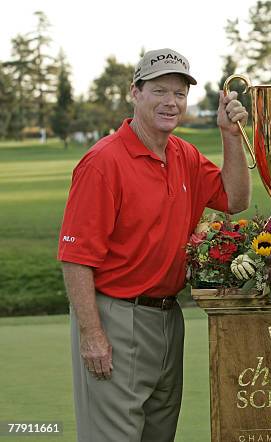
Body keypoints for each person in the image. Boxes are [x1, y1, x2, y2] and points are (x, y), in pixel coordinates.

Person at [58, 48, 250, 441]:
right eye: (159, 90)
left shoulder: (184, 154)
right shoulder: (103, 162)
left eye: (179, 93)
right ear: (135, 92)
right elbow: (75, 258)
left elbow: (235, 199)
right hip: (116, 317)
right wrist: (92, 335)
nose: (170, 102)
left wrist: (231, 136)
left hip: (167, 318)